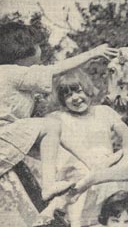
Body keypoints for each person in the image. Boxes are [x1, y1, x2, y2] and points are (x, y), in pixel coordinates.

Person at [0, 21, 118, 200]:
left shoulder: (14, 76)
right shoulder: (11, 72)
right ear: (23, 52)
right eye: (37, 45)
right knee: (52, 125)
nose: (41, 49)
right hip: (4, 138)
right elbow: (55, 69)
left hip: (10, 136)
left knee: (57, 138)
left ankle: (92, 163)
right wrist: (92, 54)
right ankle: (49, 186)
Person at [49, 70, 128, 227]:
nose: (75, 98)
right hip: (75, 178)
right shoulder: (57, 118)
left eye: (78, 91)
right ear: (62, 100)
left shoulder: (104, 112)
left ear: (88, 89)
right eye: (68, 95)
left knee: (108, 222)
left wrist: (124, 158)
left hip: (104, 176)